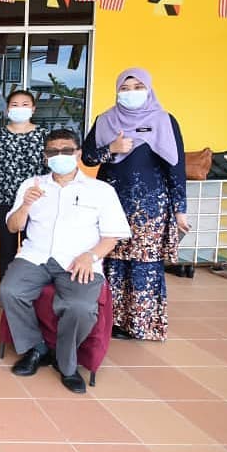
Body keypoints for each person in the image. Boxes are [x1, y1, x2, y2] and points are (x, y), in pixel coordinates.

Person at [1, 129, 131, 393]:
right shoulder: (31, 185)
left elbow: (112, 236)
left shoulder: (100, 190)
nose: (59, 155)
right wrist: (25, 206)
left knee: (80, 307)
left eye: (66, 150)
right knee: (9, 291)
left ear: (78, 153)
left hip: (78, 260)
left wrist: (90, 256)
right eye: (53, 151)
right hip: (35, 255)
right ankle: (35, 348)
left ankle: (66, 362)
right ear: (45, 156)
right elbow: (13, 227)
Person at [82, 68, 187, 341]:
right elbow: (88, 158)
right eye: (125, 88)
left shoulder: (163, 121)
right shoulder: (105, 120)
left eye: (138, 87)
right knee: (113, 262)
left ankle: (142, 325)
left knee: (144, 264)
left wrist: (180, 209)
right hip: (111, 203)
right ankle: (113, 322)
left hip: (150, 207)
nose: (131, 93)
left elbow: (176, 168)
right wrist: (112, 149)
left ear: (148, 89)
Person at [0, 90, 49, 292]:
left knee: (32, 246)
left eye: (25, 104)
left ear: (33, 109)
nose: (19, 108)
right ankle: (6, 291)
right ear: (7, 109)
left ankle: (30, 291)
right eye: (14, 105)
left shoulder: (44, 135)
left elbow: (51, 164)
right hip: (3, 197)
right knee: (7, 248)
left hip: (35, 199)